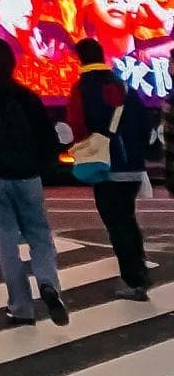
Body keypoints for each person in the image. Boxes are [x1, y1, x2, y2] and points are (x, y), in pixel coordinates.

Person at [0, 37, 70, 327]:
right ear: (13, 63)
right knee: (39, 233)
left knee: (5, 241)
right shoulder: (26, 96)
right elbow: (47, 138)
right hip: (28, 176)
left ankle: (20, 307)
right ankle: (48, 283)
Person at [66, 37, 155, 301]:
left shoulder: (83, 89)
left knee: (117, 225)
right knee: (127, 220)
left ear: (79, 60)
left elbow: (77, 126)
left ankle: (134, 280)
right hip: (132, 169)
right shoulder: (123, 85)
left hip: (106, 168)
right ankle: (139, 271)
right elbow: (144, 124)